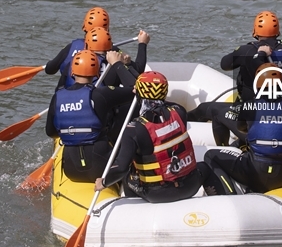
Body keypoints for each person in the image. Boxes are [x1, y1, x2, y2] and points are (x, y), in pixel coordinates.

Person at [96, 71, 224, 201]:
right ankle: (219, 202)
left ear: (139, 94)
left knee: (129, 177)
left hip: (157, 193)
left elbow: (121, 168)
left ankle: (137, 215)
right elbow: (165, 107)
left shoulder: (134, 129)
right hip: (190, 185)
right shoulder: (180, 112)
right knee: (204, 168)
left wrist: (104, 182)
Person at [203, 64, 282, 193]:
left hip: (253, 173)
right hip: (281, 178)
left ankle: (229, 194)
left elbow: (241, 128)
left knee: (210, 155)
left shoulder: (250, 105)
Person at [186, 11, 282, 146]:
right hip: (280, 112)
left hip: (251, 113)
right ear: (278, 32)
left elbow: (225, 64)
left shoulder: (247, 51)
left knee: (206, 109)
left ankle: (178, 124)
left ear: (254, 31)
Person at [45, 50, 136, 183]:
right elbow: (137, 88)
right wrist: (118, 64)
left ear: (72, 72)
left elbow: (51, 132)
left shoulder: (57, 97)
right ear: (97, 74)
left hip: (71, 170)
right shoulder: (101, 94)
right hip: (102, 168)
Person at [45, 7, 112, 89]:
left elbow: (49, 70)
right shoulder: (113, 53)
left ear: (84, 26)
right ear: (107, 31)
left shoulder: (71, 48)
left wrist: (48, 64)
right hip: (98, 96)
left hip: (67, 95)